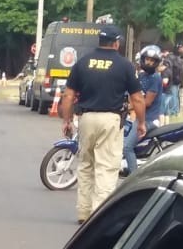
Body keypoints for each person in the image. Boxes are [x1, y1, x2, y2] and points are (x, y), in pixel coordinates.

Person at [60, 25, 145, 224]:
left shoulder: (83, 63)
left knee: (86, 165)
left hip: (87, 118)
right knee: (106, 168)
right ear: (116, 43)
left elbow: (68, 95)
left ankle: (83, 212)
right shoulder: (124, 65)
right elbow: (138, 99)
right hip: (110, 119)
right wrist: (141, 122)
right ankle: (98, 217)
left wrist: (66, 120)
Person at [123, 45, 164, 176]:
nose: (149, 62)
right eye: (147, 59)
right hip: (140, 117)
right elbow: (133, 94)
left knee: (127, 147)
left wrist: (129, 107)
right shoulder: (141, 76)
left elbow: (147, 102)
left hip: (149, 120)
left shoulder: (156, 78)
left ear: (156, 62)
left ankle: (133, 177)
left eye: (152, 60)